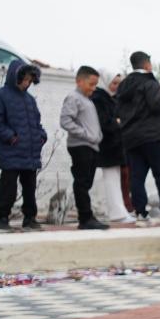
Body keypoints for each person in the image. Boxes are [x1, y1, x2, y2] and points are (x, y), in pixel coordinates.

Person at [116, 51, 160, 226]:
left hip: (131, 138)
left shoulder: (124, 85)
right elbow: (157, 104)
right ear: (147, 65)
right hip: (152, 136)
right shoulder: (149, 82)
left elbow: (118, 110)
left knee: (137, 177)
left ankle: (141, 213)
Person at [0, 59, 47, 233]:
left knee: (30, 189)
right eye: (24, 79)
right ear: (16, 76)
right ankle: (1, 220)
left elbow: (37, 123)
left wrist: (42, 136)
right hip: (11, 152)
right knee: (8, 188)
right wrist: (12, 138)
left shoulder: (30, 100)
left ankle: (30, 220)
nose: (27, 83)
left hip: (31, 153)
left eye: (30, 80)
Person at [58, 66, 108, 230]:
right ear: (79, 81)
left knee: (86, 183)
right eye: (91, 84)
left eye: (95, 85)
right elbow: (65, 121)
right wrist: (87, 135)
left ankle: (87, 216)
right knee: (81, 182)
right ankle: (85, 218)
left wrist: (97, 137)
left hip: (91, 146)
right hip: (80, 146)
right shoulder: (73, 97)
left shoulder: (87, 100)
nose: (93, 88)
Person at [92, 68, 132, 223]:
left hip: (115, 144)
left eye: (118, 83)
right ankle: (117, 213)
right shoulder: (99, 98)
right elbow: (104, 122)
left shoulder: (111, 98)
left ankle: (119, 211)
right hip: (107, 144)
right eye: (114, 83)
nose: (117, 86)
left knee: (115, 178)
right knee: (111, 179)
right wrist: (117, 123)